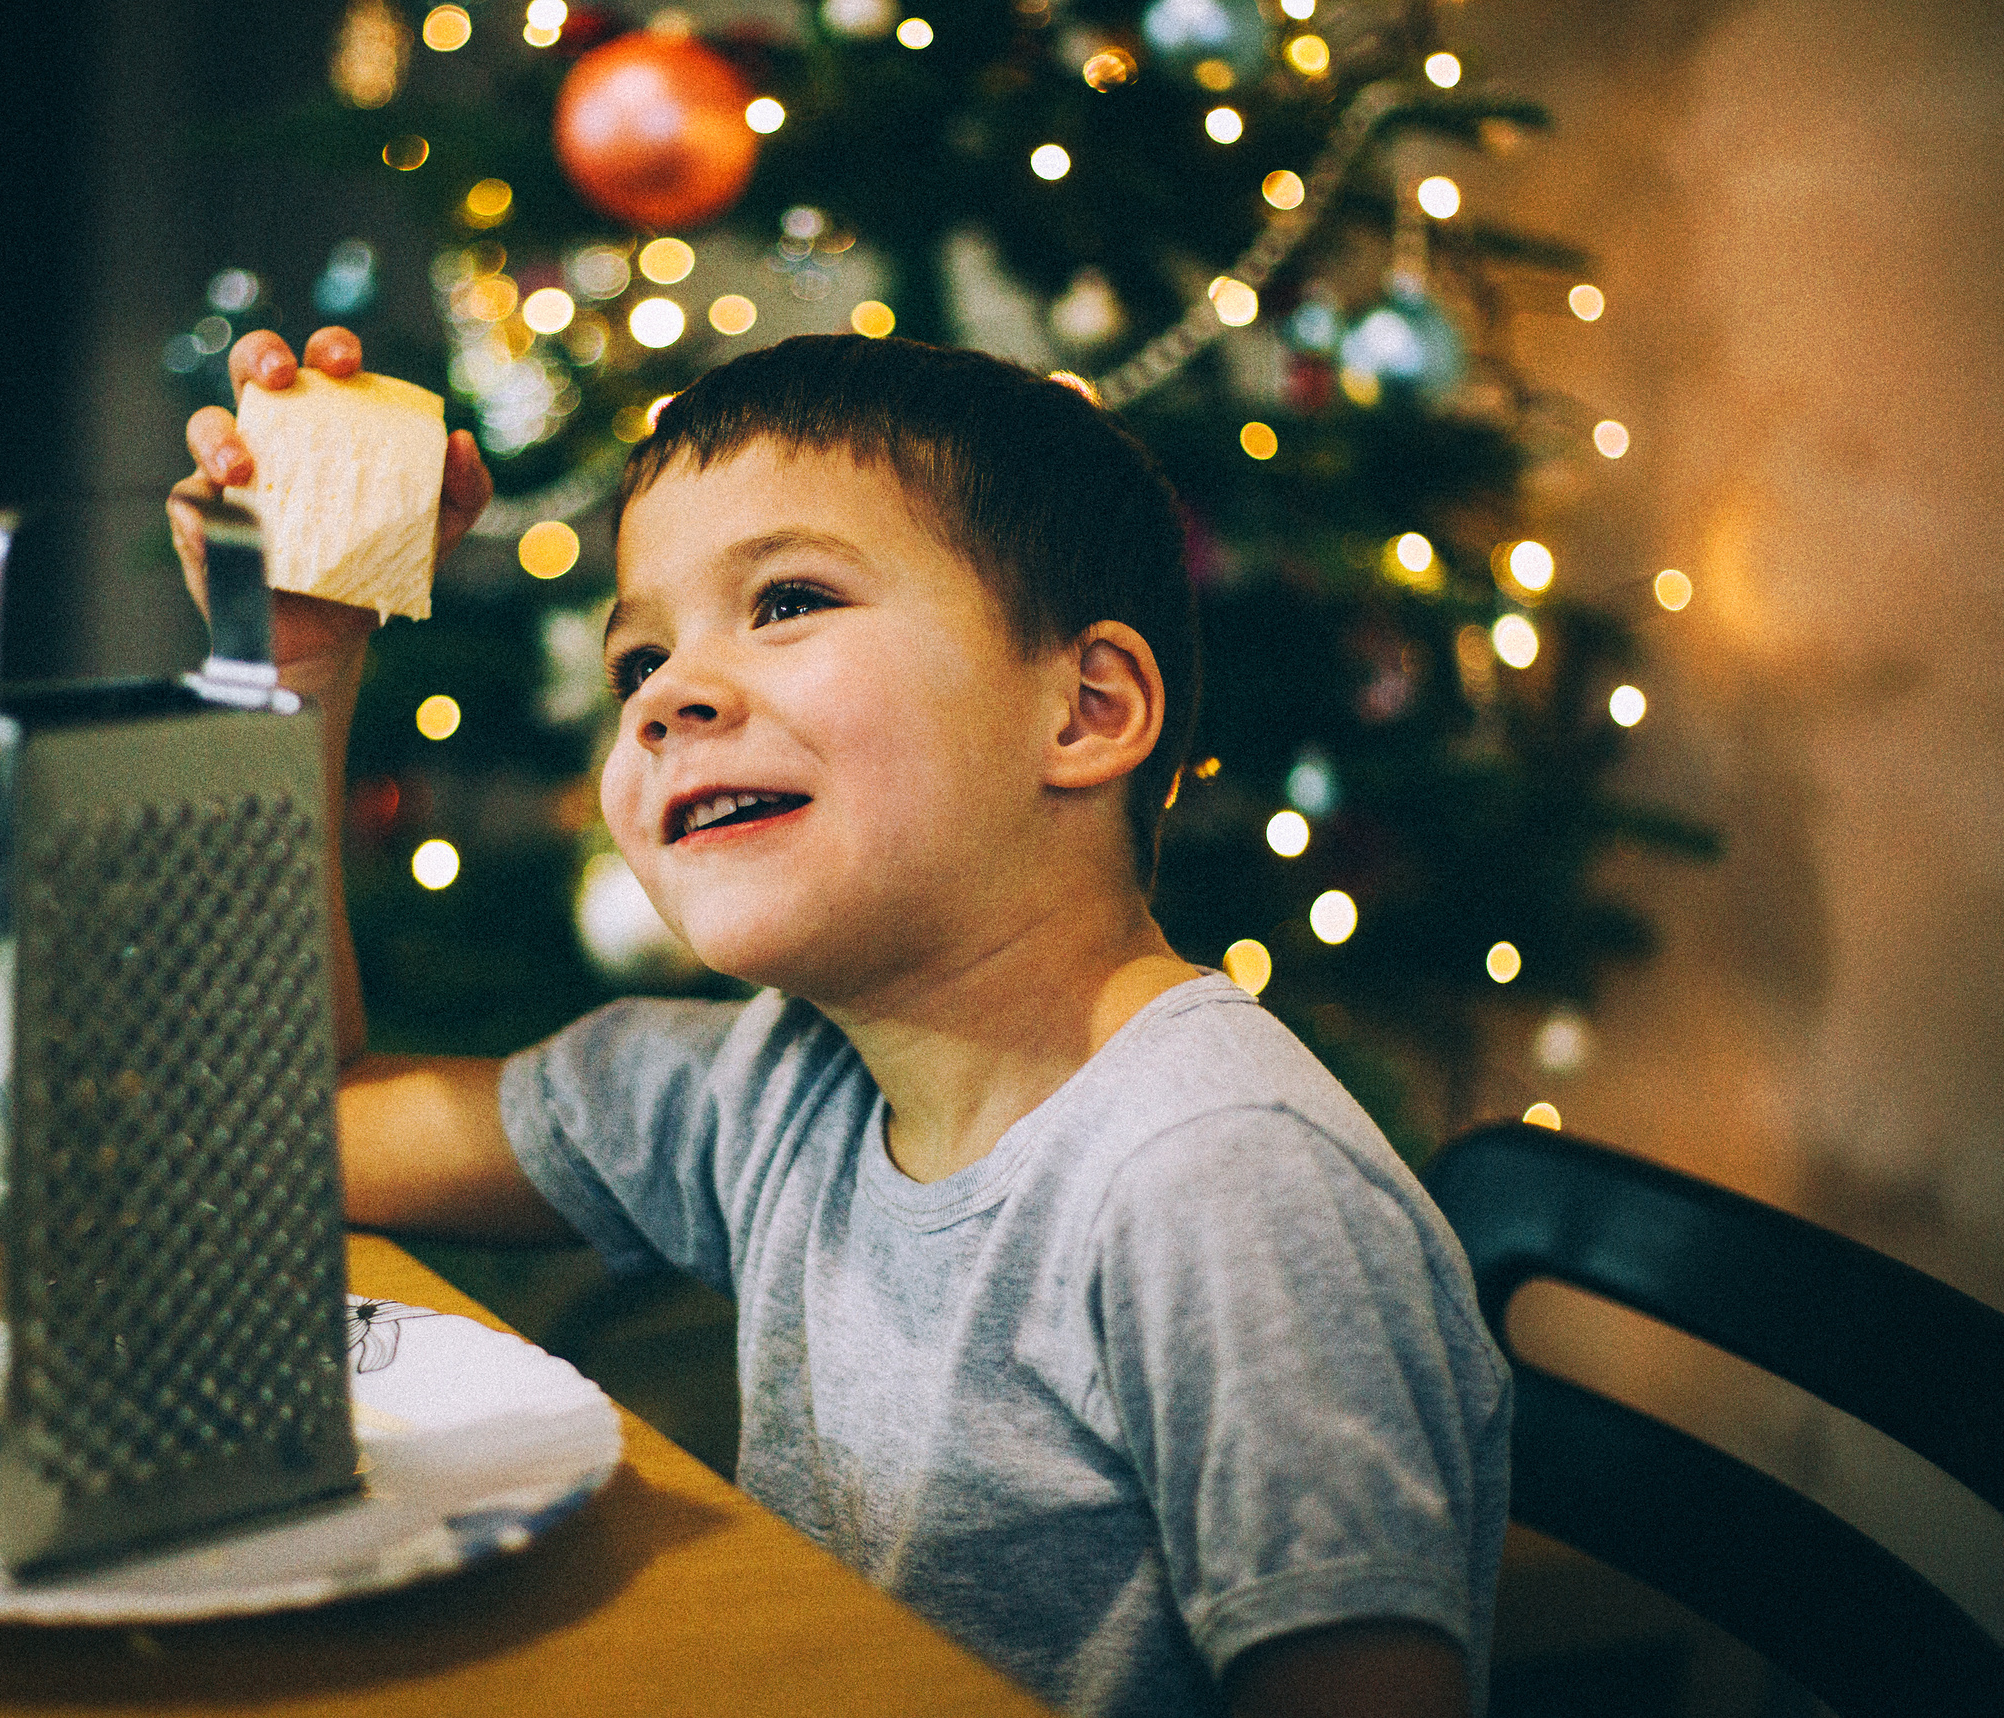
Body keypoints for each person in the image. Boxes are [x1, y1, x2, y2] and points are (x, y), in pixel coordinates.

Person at [169, 325, 1511, 1718]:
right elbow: (289, 1131)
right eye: (638, 663)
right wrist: (295, 665)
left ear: (1086, 708)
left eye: (790, 598)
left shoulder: (1222, 1185)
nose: (671, 698)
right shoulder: (772, 1091)